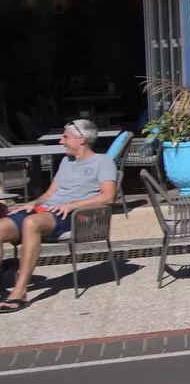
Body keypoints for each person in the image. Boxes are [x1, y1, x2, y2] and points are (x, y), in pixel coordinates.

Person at [0, 120, 117, 313]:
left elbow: (108, 196)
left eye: (65, 137)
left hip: (74, 216)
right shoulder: (66, 161)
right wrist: (34, 203)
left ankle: (19, 292)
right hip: (46, 211)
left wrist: (72, 205)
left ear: (81, 139)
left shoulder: (103, 162)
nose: (61, 142)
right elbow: (49, 194)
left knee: (31, 223)